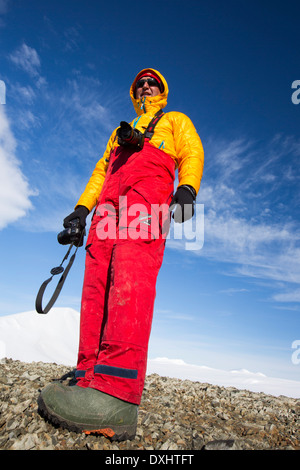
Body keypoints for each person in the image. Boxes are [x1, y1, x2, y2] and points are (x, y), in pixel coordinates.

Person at [38, 68, 204, 441]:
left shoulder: (175, 120)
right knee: (95, 285)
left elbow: (192, 152)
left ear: (162, 90)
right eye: (141, 83)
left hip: (148, 194)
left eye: (153, 83)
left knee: (131, 279)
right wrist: (82, 210)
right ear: (134, 92)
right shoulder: (118, 132)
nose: (146, 86)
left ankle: (117, 392)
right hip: (108, 204)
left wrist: (188, 188)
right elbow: (101, 171)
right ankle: (87, 376)